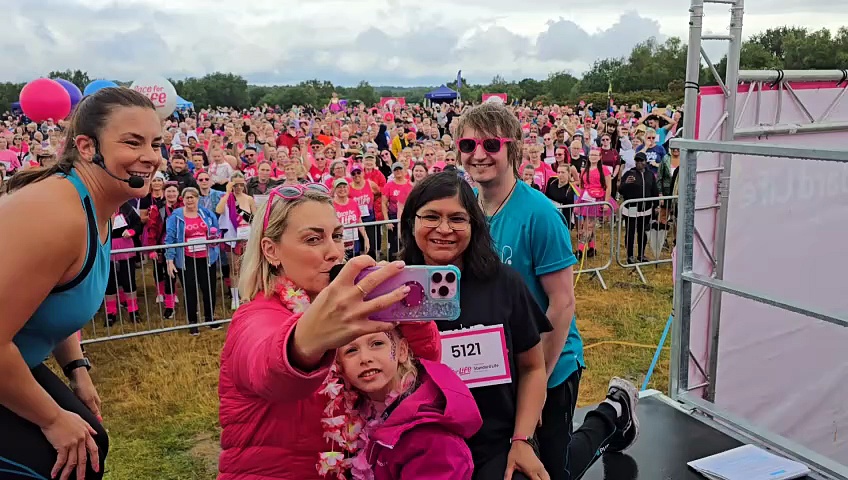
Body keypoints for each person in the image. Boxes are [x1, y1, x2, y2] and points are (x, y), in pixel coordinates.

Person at [456, 103, 638, 480]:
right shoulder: (468, 210)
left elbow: (562, 301)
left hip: (551, 362)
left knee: (555, 472)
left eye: (491, 144)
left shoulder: (541, 215)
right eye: (468, 143)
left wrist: (536, 382)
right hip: (502, 368)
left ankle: (613, 412)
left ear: (513, 149)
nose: (478, 154)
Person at [217, 183, 442, 480]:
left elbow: (424, 363)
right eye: (313, 239)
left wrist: (404, 309)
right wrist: (308, 339)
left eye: (337, 236)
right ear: (271, 250)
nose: (335, 252)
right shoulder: (254, 317)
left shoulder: (346, 312)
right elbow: (270, 367)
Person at [0, 87, 162, 480]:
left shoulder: (99, 208)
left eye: (156, 143)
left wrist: (77, 368)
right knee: (52, 464)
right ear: (86, 147)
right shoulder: (56, 214)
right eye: (132, 142)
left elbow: (55, 300)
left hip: (17, 359)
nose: (151, 156)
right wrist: (53, 419)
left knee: (91, 445)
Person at [330, 327, 482, 479]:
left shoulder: (431, 437)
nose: (365, 358)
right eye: (351, 350)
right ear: (340, 367)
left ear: (402, 351)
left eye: (377, 343)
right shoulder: (353, 415)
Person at [164, 187, 221, 335]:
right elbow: (170, 238)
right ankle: (193, 322)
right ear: (182, 199)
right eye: (187, 197)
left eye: (193, 197)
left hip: (207, 258)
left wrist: (215, 239)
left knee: (209, 288)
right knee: (190, 291)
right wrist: (169, 259)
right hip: (187, 259)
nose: (190, 200)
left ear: (198, 199)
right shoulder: (176, 216)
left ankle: (210, 318)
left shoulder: (206, 213)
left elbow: (216, 231)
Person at [216, 172, 255, 309]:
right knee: (235, 268)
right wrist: (227, 193)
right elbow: (219, 210)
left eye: (241, 184)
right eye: (235, 185)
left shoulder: (249, 199)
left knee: (249, 267)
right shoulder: (227, 198)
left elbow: (254, 218)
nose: (238, 187)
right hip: (233, 238)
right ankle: (235, 297)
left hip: (247, 238)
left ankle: (248, 294)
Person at [619, 153, 659, 264]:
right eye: (637, 161)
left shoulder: (650, 175)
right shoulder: (628, 173)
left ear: (646, 162)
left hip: (646, 209)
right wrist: (626, 183)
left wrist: (656, 205)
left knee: (643, 232)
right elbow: (620, 190)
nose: (639, 163)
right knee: (630, 232)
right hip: (631, 208)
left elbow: (654, 191)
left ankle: (641, 254)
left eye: (641, 161)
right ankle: (630, 255)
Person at [381, 162, 412, 260]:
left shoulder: (410, 184)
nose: (398, 172)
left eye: (400, 169)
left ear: (404, 171)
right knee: (394, 243)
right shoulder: (389, 185)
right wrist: (387, 221)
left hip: (408, 215)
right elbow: (383, 203)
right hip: (393, 217)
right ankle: (393, 261)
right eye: (395, 170)